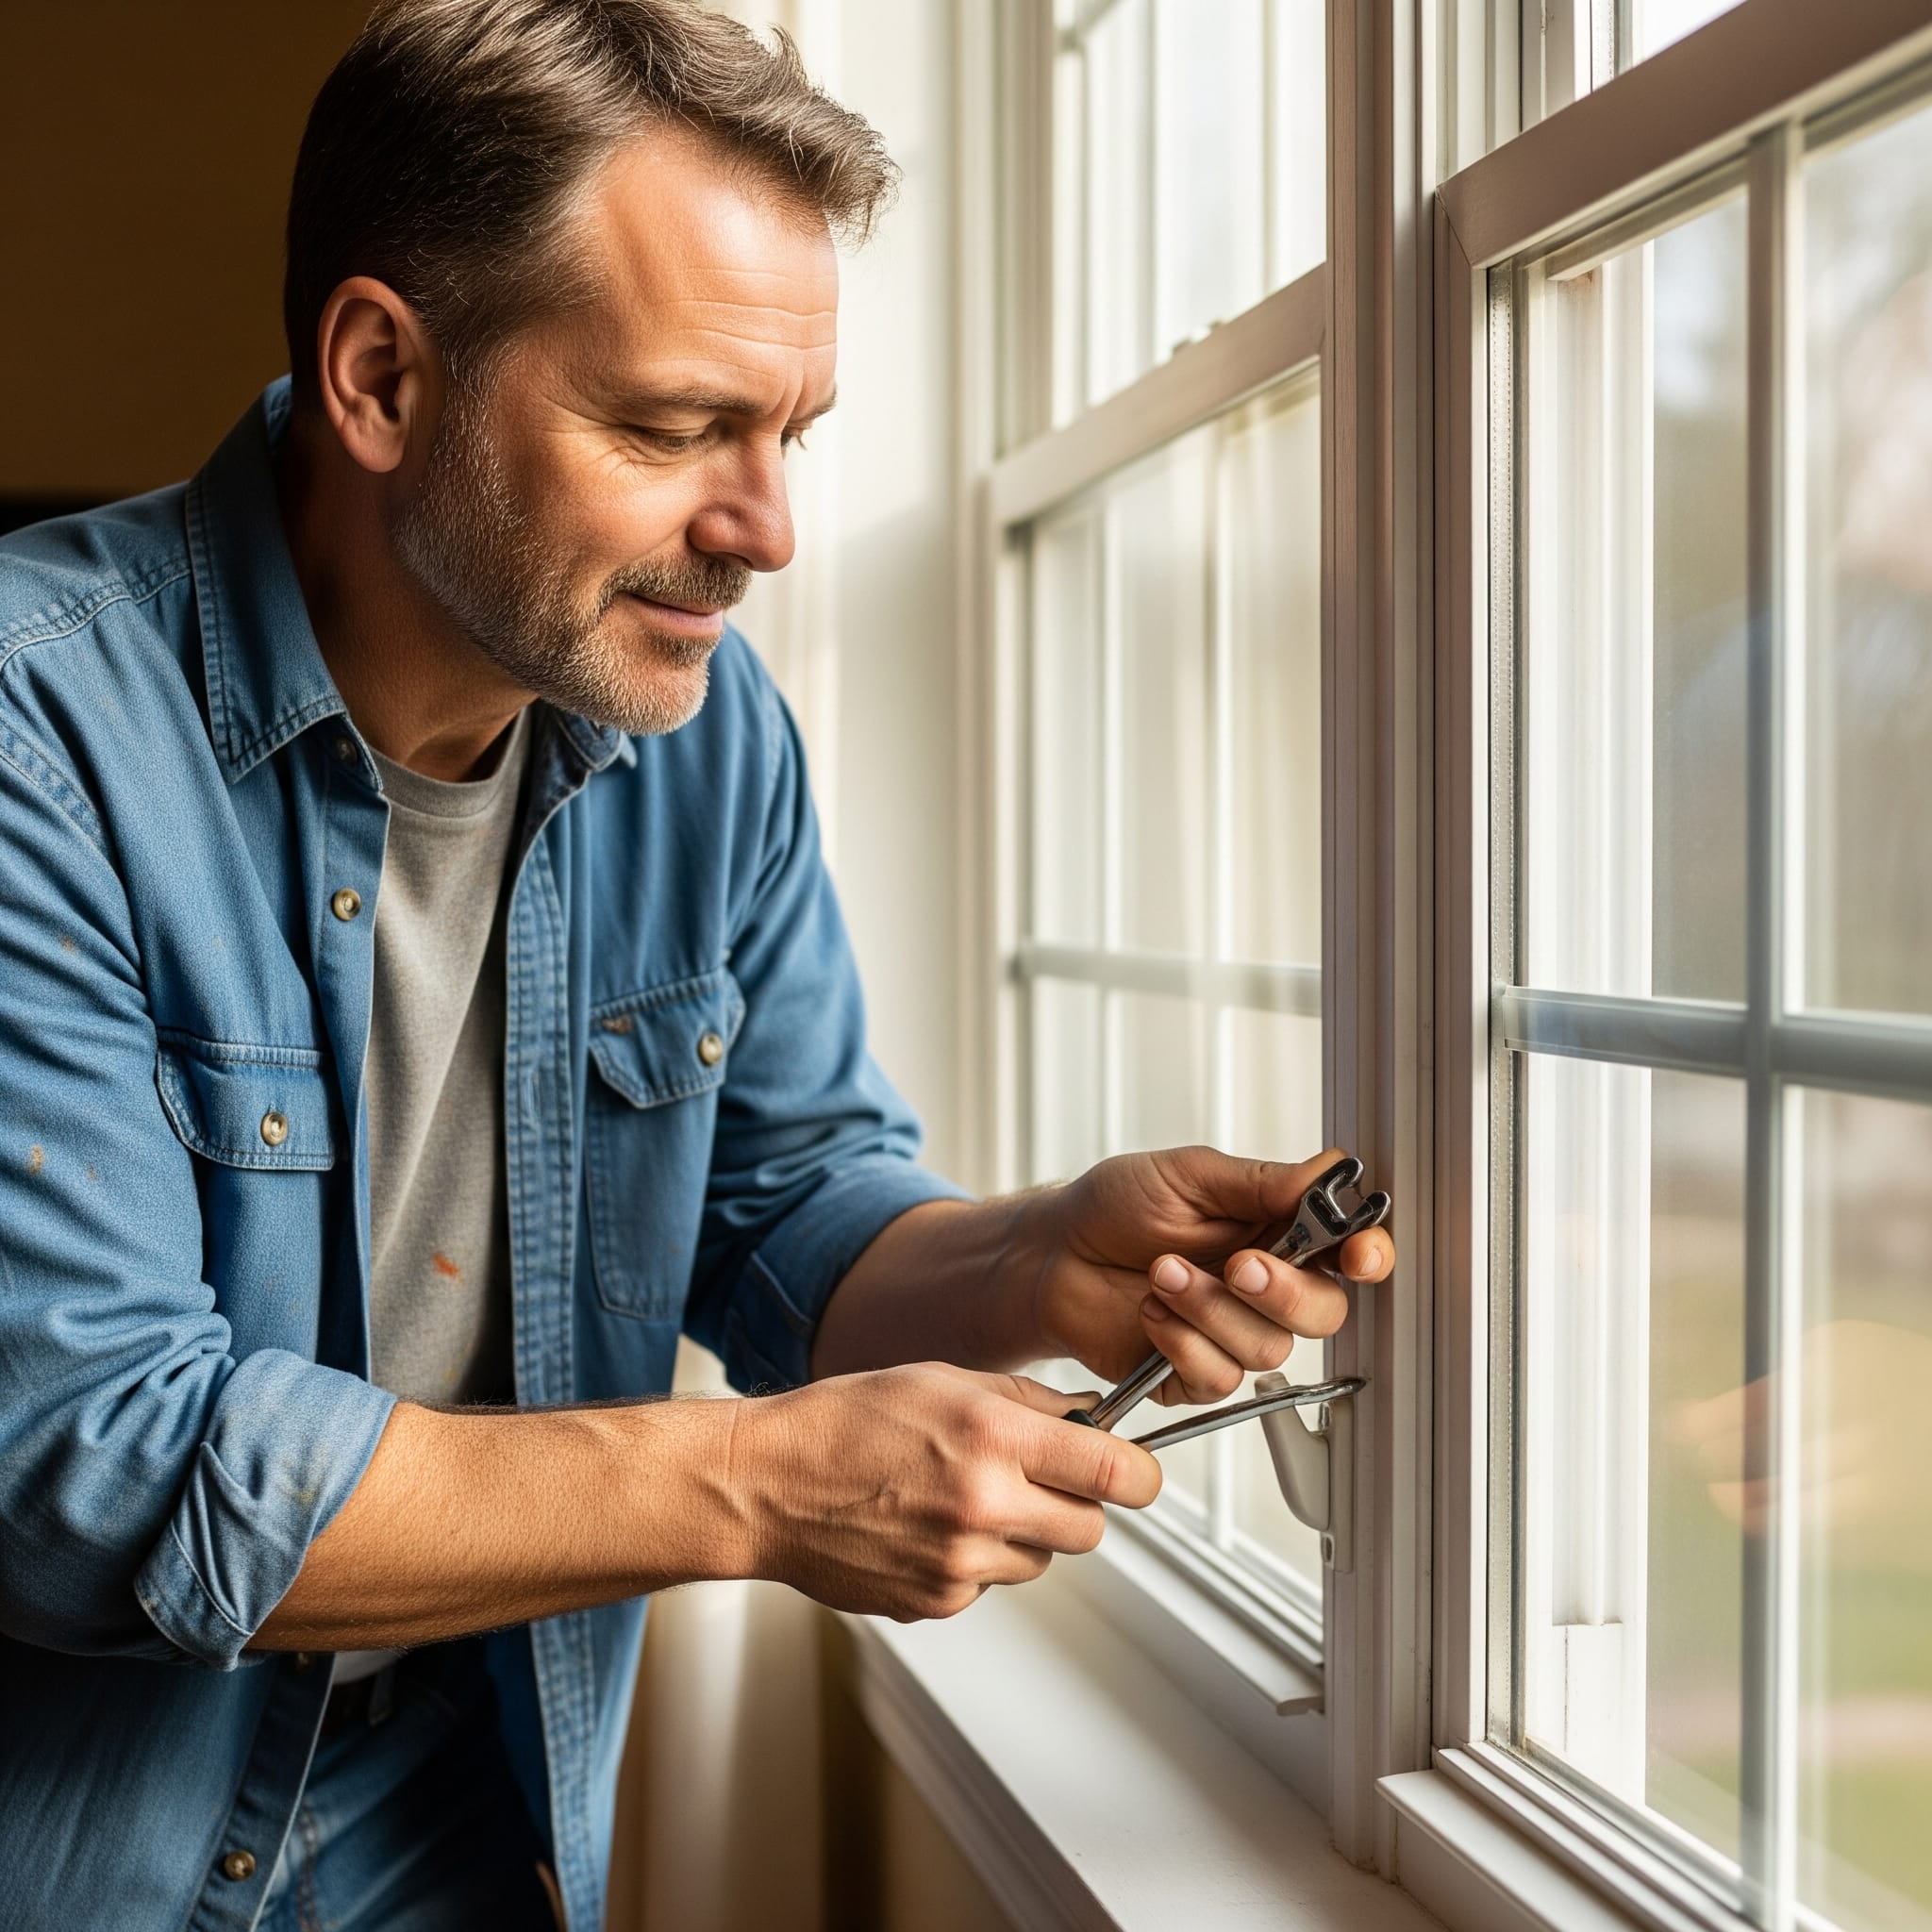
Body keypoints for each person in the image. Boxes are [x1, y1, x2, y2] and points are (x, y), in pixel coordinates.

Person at [0, 4, 1394, 1927]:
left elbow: (786, 1214)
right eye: (669, 431)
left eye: (789, 436)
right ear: (384, 375)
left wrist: (1031, 1259)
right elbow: (93, 1467)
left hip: (466, 1842)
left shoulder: (703, 739)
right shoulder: (31, 733)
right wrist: (753, 1483)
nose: (766, 533)